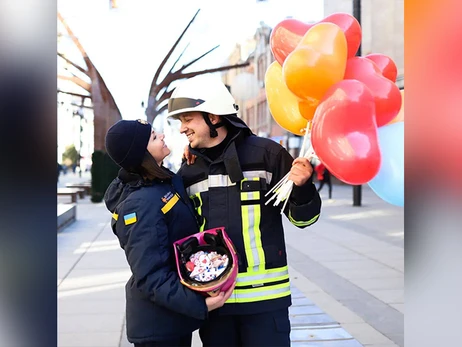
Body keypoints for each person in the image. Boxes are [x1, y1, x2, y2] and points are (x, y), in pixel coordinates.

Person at [167, 76, 322, 347]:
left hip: (265, 303)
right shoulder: (188, 170)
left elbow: (304, 219)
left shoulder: (268, 155)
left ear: (213, 117)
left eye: (188, 119)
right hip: (216, 304)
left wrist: (303, 187)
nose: (182, 129)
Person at [103, 119, 234, 347]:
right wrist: (199, 305)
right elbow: (150, 274)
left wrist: (193, 155)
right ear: (140, 154)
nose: (162, 135)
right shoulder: (139, 204)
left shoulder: (158, 184)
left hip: (171, 318)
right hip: (158, 327)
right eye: (154, 137)